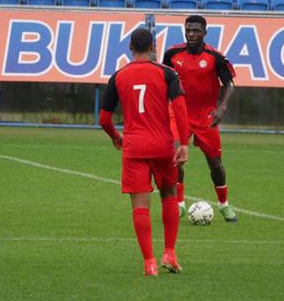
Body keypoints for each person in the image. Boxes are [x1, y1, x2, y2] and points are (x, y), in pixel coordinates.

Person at [100, 28, 190, 276]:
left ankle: (149, 263)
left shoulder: (118, 76)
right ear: (153, 47)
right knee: (170, 194)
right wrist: (183, 143)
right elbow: (180, 109)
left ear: (130, 47)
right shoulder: (167, 73)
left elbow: (104, 118)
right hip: (163, 146)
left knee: (140, 205)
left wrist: (115, 136)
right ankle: (169, 254)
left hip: (134, 147)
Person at [163, 15, 238, 222]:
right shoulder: (172, 54)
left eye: (196, 30)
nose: (191, 34)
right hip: (179, 113)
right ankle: (179, 205)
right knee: (175, 158)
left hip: (206, 115)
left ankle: (224, 205)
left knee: (215, 165)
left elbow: (229, 84)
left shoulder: (215, 57)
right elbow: (163, 81)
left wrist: (221, 108)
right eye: (188, 30)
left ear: (205, 33)